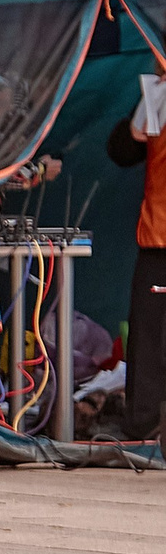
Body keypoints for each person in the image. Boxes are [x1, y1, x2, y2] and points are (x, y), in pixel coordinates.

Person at [104, 89, 166, 444]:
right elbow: (123, 151)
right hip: (159, 239)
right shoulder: (158, 94)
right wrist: (134, 127)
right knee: (148, 339)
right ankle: (143, 427)